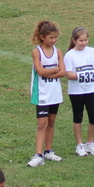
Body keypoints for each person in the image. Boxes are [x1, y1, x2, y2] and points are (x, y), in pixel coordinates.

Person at [64, 26, 94, 156]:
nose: (83, 43)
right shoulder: (69, 55)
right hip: (76, 91)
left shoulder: (91, 52)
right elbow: (68, 74)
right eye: (81, 41)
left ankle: (90, 143)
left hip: (90, 90)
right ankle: (79, 144)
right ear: (74, 40)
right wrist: (82, 75)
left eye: (85, 40)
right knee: (78, 117)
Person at [27, 21, 66, 166]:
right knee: (41, 123)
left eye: (55, 37)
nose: (54, 40)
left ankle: (48, 151)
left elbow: (63, 72)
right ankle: (38, 154)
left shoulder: (58, 52)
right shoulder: (37, 51)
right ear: (42, 37)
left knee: (51, 122)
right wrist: (54, 70)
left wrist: (51, 72)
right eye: (51, 38)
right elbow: (40, 71)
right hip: (42, 93)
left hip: (54, 93)